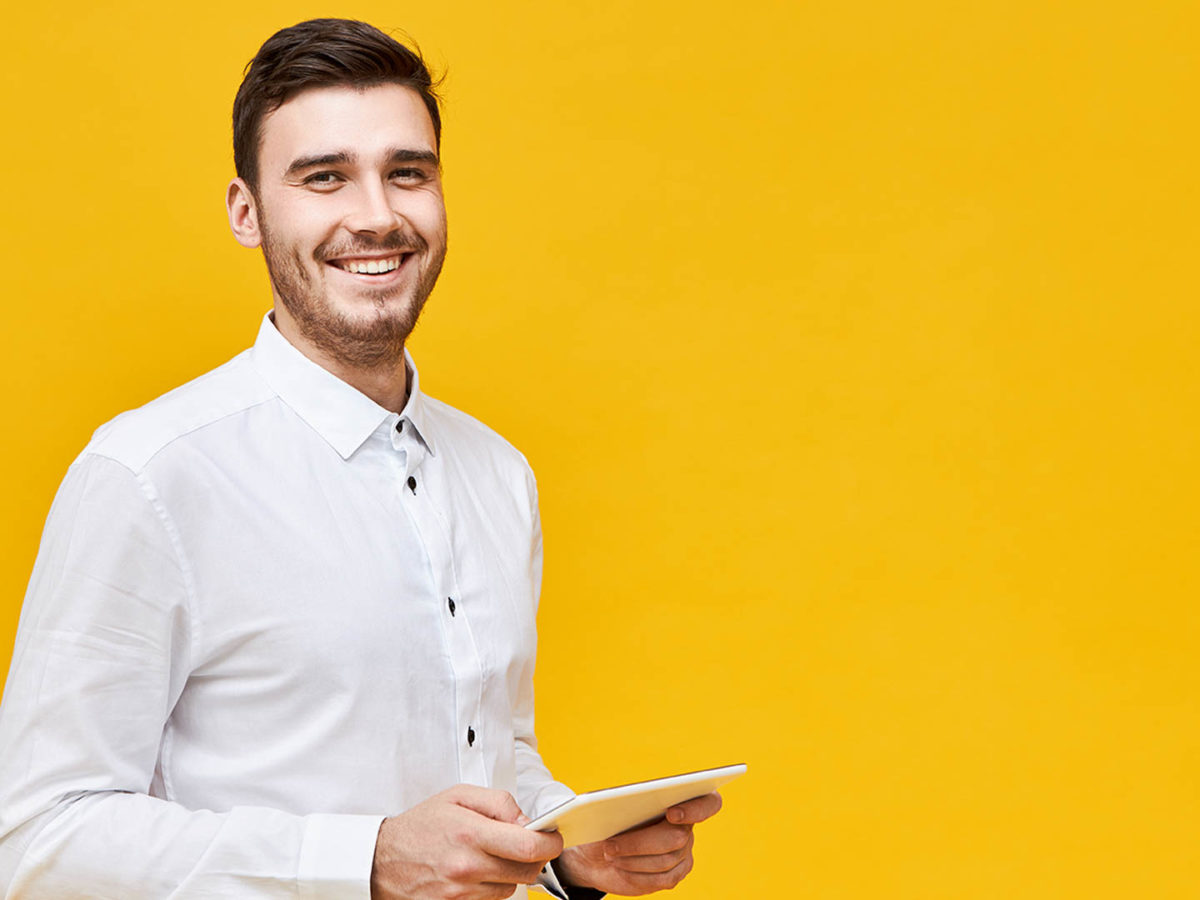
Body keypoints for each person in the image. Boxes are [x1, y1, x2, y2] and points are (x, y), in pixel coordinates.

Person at [0, 17, 722, 900]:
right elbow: (37, 836)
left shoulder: (499, 474)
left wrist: (567, 844)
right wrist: (366, 859)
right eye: (324, 177)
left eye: (407, 173)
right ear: (246, 212)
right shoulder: (148, 475)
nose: (376, 215)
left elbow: (492, 747)